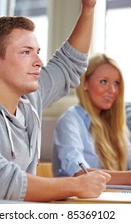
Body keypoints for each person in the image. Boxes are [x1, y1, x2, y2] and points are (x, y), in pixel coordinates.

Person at [0, 0, 110, 202]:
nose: (39, 61)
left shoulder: (28, 97)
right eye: (26, 52)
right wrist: (75, 185)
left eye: (37, 51)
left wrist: (88, 9)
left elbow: (69, 65)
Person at [52, 53, 131, 184]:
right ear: (85, 84)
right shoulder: (70, 120)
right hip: (75, 202)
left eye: (116, 83)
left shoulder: (114, 125)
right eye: (103, 82)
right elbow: (80, 173)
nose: (112, 90)